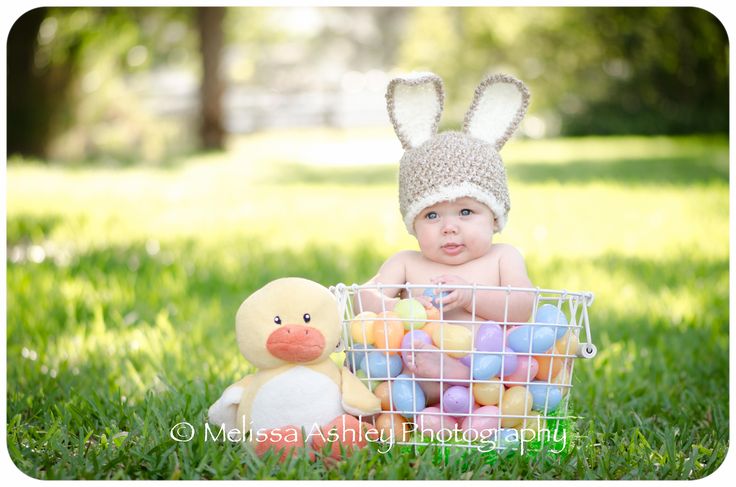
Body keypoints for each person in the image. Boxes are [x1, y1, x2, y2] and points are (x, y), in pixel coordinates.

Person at [355, 72, 535, 389]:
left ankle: (461, 378)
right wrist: (397, 308)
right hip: (416, 375)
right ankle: (435, 390)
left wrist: (470, 297)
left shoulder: (502, 258)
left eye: (466, 212)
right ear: (413, 224)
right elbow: (362, 300)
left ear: (494, 218)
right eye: (432, 215)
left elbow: (522, 307)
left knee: (512, 366)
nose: (449, 227)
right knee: (408, 357)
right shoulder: (407, 262)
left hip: (489, 375)